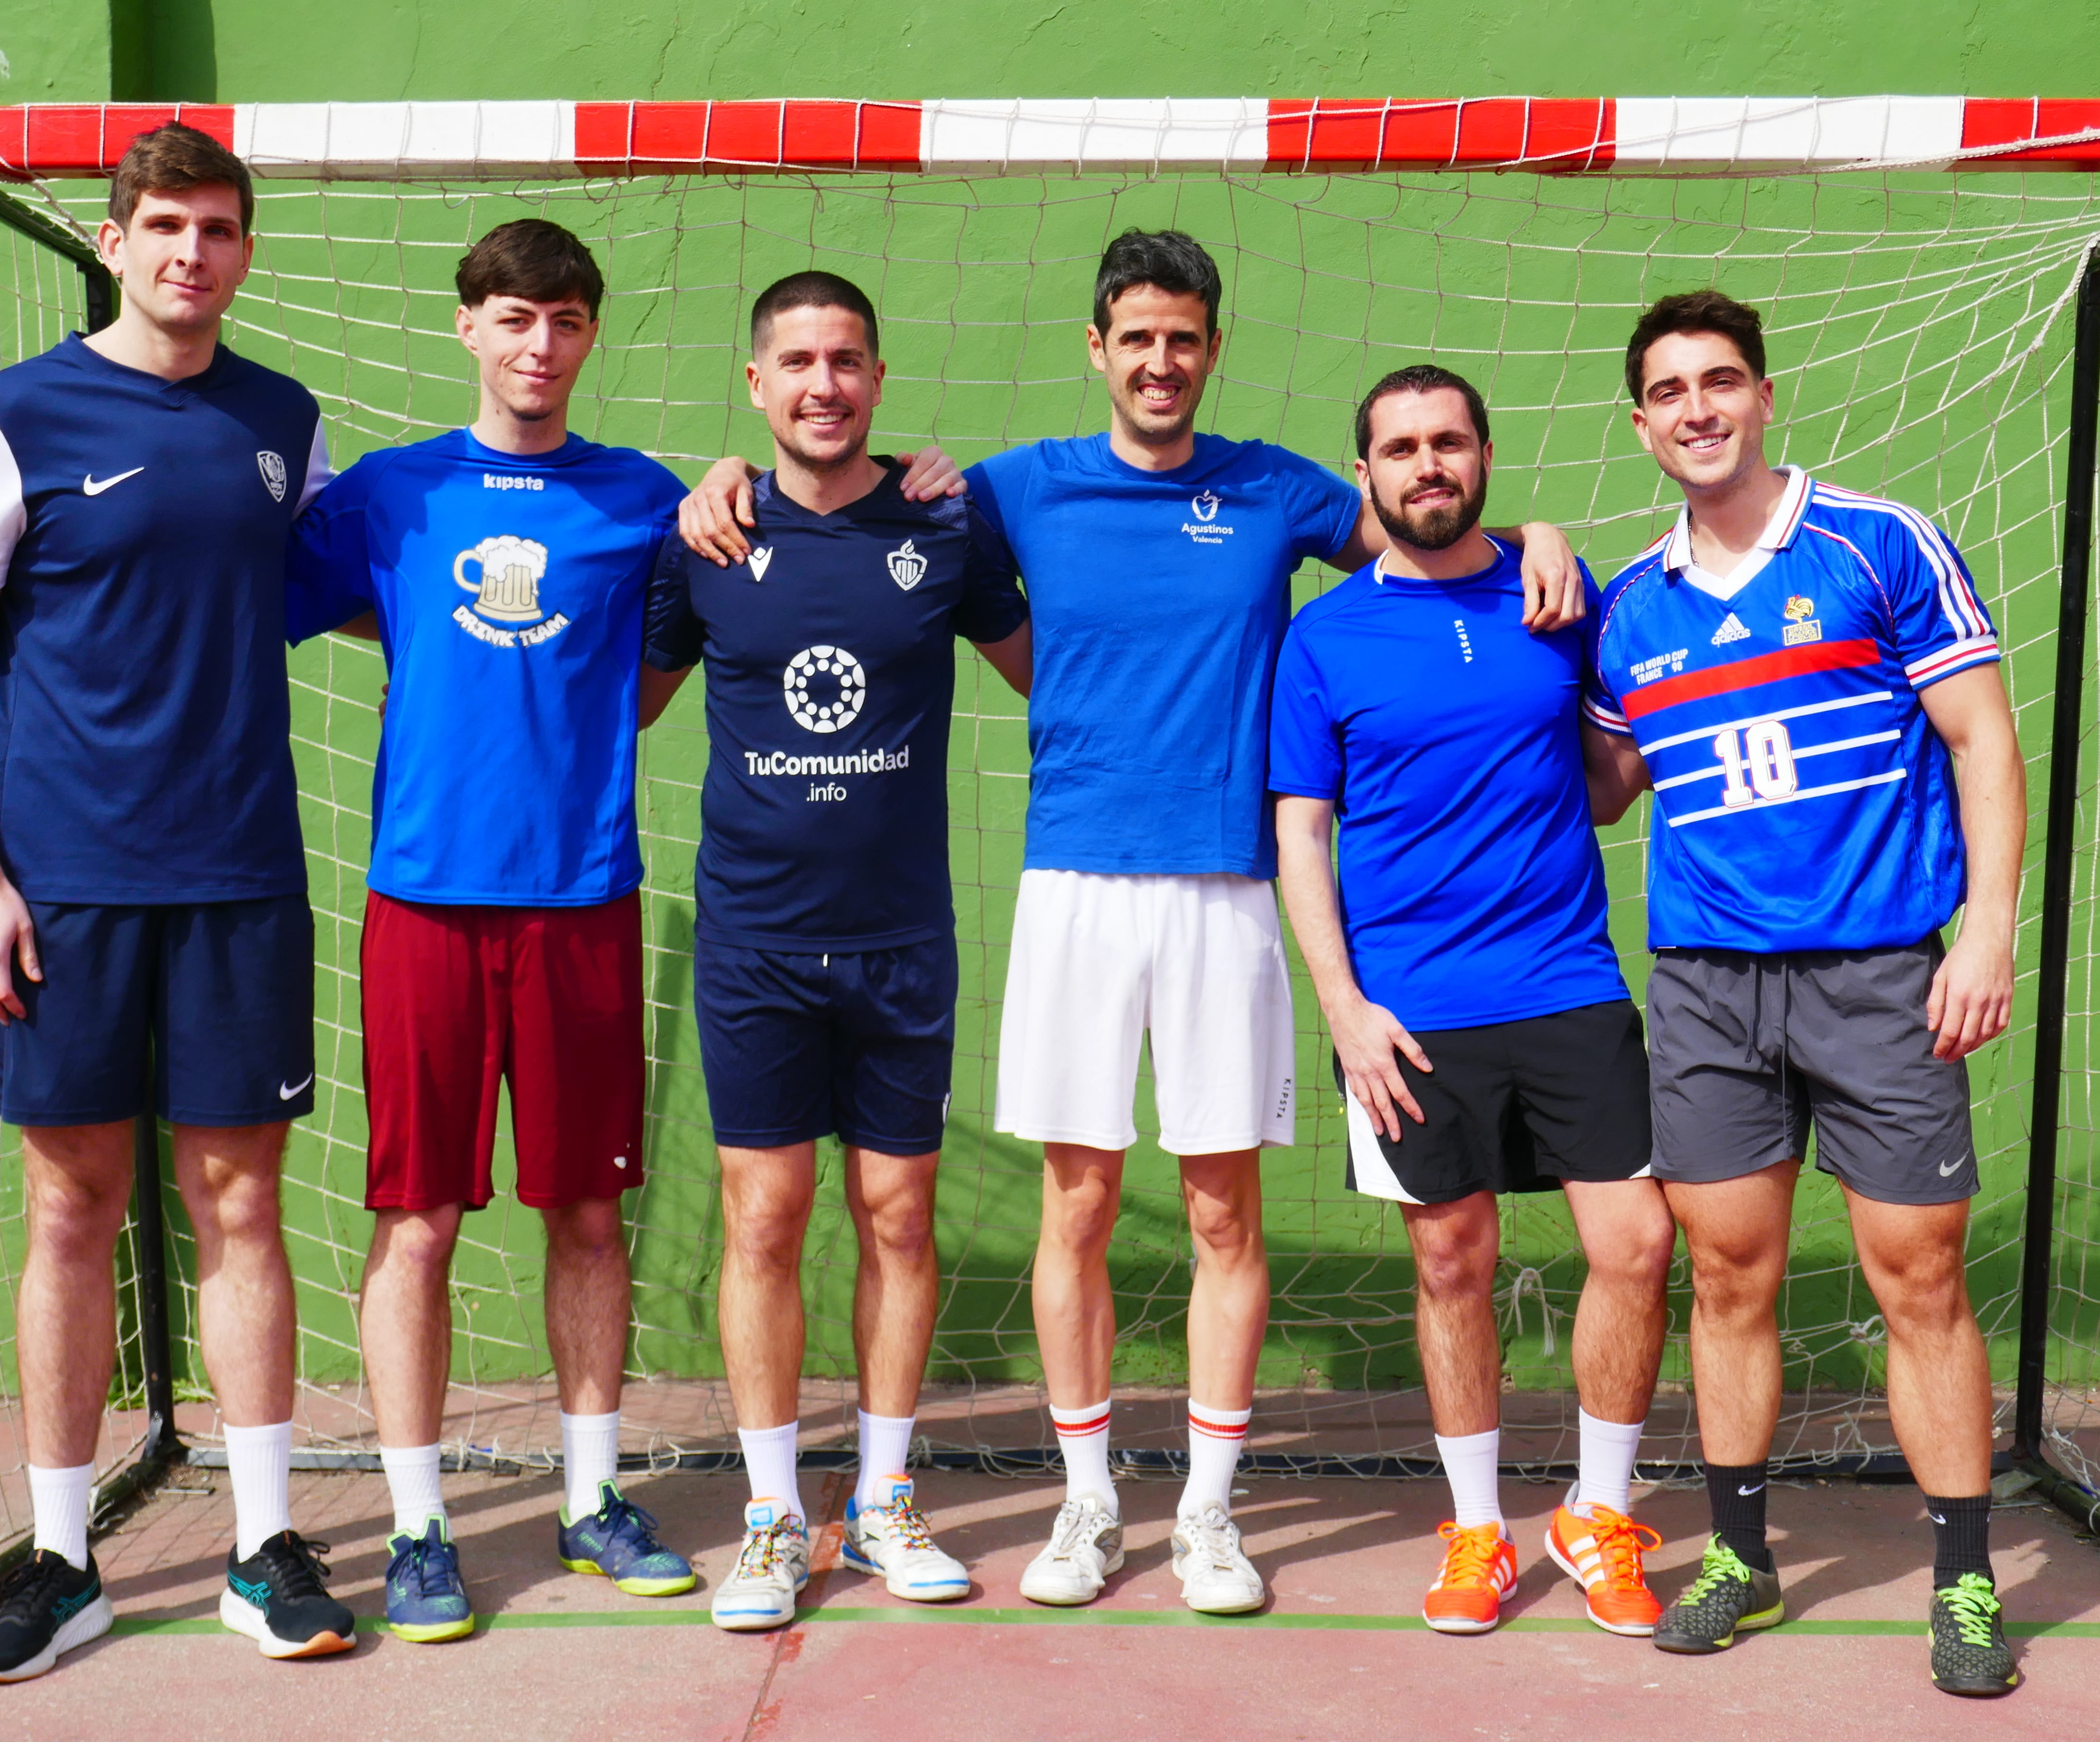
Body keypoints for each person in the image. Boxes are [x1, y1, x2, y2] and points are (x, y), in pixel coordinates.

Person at [686, 229, 1586, 1615]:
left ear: (1211, 350)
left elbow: (1431, 539)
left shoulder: (1276, 489)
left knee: (1224, 1211)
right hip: (1076, 889)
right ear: (1098, 350)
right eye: (1138, 339)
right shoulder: (1011, 491)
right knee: (1082, 1202)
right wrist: (726, 478)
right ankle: (1088, 1504)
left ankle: (1210, 1516)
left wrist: (1543, 540)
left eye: (1185, 339)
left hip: (1228, 887)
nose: (1161, 362)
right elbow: (857, 493)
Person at [0, 122, 352, 1680]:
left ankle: (264, 1551)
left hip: (241, 876)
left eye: (217, 229)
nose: (190, 253)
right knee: (72, 1208)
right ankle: (63, 1560)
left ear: (245, 252)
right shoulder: (15, 417)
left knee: (242, 1206)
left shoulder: (284, 419)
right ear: (113, 242)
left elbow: (377, 568)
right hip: (67, 892)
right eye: (163, 226)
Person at [1584, 291, 2025, 1697]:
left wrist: (1988, 935)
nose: (1698, 409)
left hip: (1882, 975)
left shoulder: (1879, 545)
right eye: (1670, 391)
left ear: (1764, 397)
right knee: (1727, 1276)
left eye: (1721, 381)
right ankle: (1740, 1558)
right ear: (1642, 423)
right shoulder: (1628, 607)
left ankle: (1964, 1584)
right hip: (1709, 991)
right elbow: (1601, 785)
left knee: (1921, 1277)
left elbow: (1982, 739)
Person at [283, 219, 711, 1643]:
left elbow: (665, 660)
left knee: (587, 1214)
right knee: (419, 1221)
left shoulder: (644, 499)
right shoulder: (389, 496)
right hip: (425, 903)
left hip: (582, 900)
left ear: (591, 336)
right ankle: (418, 1528)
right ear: (467, 325)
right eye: (515, 317)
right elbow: (280, 594)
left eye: (566, 320)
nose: (540, 344)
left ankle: (592, 1499)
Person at [642, 271, 1034, 1631]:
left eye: (848, 360)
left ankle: (880, 1500)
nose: (825, 384)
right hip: (756, 941)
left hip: (900, 941)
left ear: (877, 377)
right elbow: (627, 702)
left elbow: (1050, 670)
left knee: (900, 1217)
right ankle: (770, 1516)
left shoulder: (944, 523)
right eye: (799, 362)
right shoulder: (705, 535)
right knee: (763, 1217)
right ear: (757, 384)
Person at [1271, 364, 1678, 1638]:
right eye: (1400, 449)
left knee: (1637, 1244)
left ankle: (1597, 1515)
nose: (1427, 465)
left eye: (1447, 442)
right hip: (1409, 1008)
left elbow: (1609, 778)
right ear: (1368, 476)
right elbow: (1301, 834)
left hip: (1567, 981)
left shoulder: (1558, 593)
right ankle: (1477, 1532)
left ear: (1485, 458)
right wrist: (1342, 1007)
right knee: (1451, 1258)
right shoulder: (1324, 637)